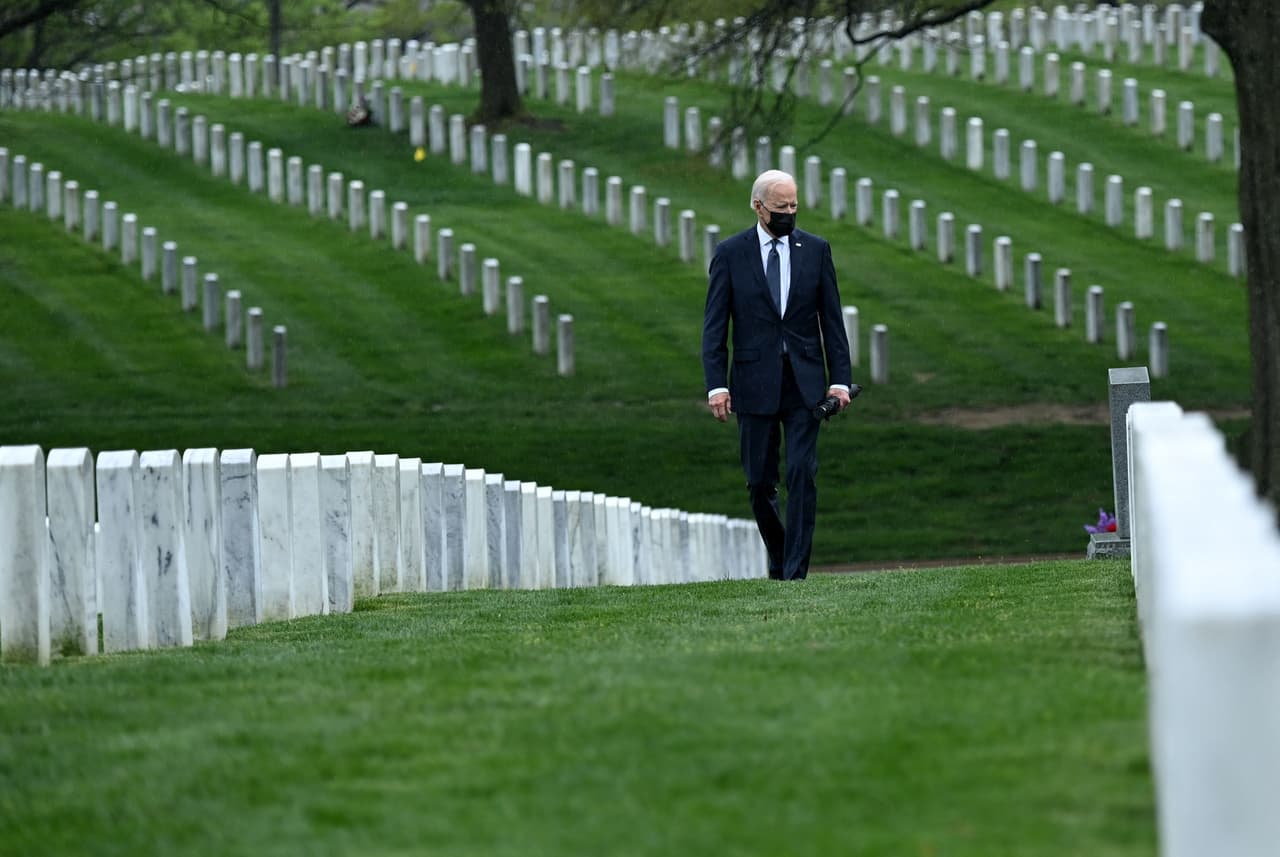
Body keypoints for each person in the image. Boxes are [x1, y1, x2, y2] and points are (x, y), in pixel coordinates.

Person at [701, 169, 853, 581]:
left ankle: (795, 571)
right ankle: (782, 554)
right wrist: (717, 385)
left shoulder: (815, 250)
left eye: (794, 206)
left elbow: (832, 321)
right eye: (781, 207)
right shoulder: (732, 254)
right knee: (758, 482)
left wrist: (840, 380)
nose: (789, 213)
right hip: (753, 381)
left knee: (802, 473)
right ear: (758, 207)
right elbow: (716, 326)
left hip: (804, 383)